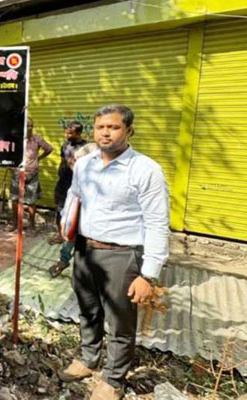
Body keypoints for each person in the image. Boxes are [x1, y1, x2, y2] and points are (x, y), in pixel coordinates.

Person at [57, 104, 169, 400]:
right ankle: (88, 358)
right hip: (84, 250)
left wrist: (149, 275)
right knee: (88, 310)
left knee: (119, 319)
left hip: (123, 255)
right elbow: (74, 195)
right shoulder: (85, 164)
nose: (105, 132)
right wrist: (66, 226)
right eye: (100, 127)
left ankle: (113, 379)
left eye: (114, 127)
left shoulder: (146, 170)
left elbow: (158, 223)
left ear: (129, 131)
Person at [48, 121, 87, 276]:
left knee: (75, 223)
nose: (67, 135)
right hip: (63, 186)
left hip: (79, 191)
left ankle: (65, 259)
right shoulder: (65, 145)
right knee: (60, 213)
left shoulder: (87, 149)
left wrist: (74, 166)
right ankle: (61, 237)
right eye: (66, 132)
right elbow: (64, 161)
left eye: (70, 133)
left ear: (78, 133)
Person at [10, 117, 52, 230]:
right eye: (27, 125)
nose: (29, 128)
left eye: (31, 125)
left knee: (31, 201)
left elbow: (49, 148)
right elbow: (8, 151)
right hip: (17, 173)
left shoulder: (37, 138)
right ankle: (14, 224)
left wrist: (39, 158)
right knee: (15, 199)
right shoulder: (15, 139)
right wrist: (11, 164)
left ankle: (31, 226)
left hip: (32, 174)